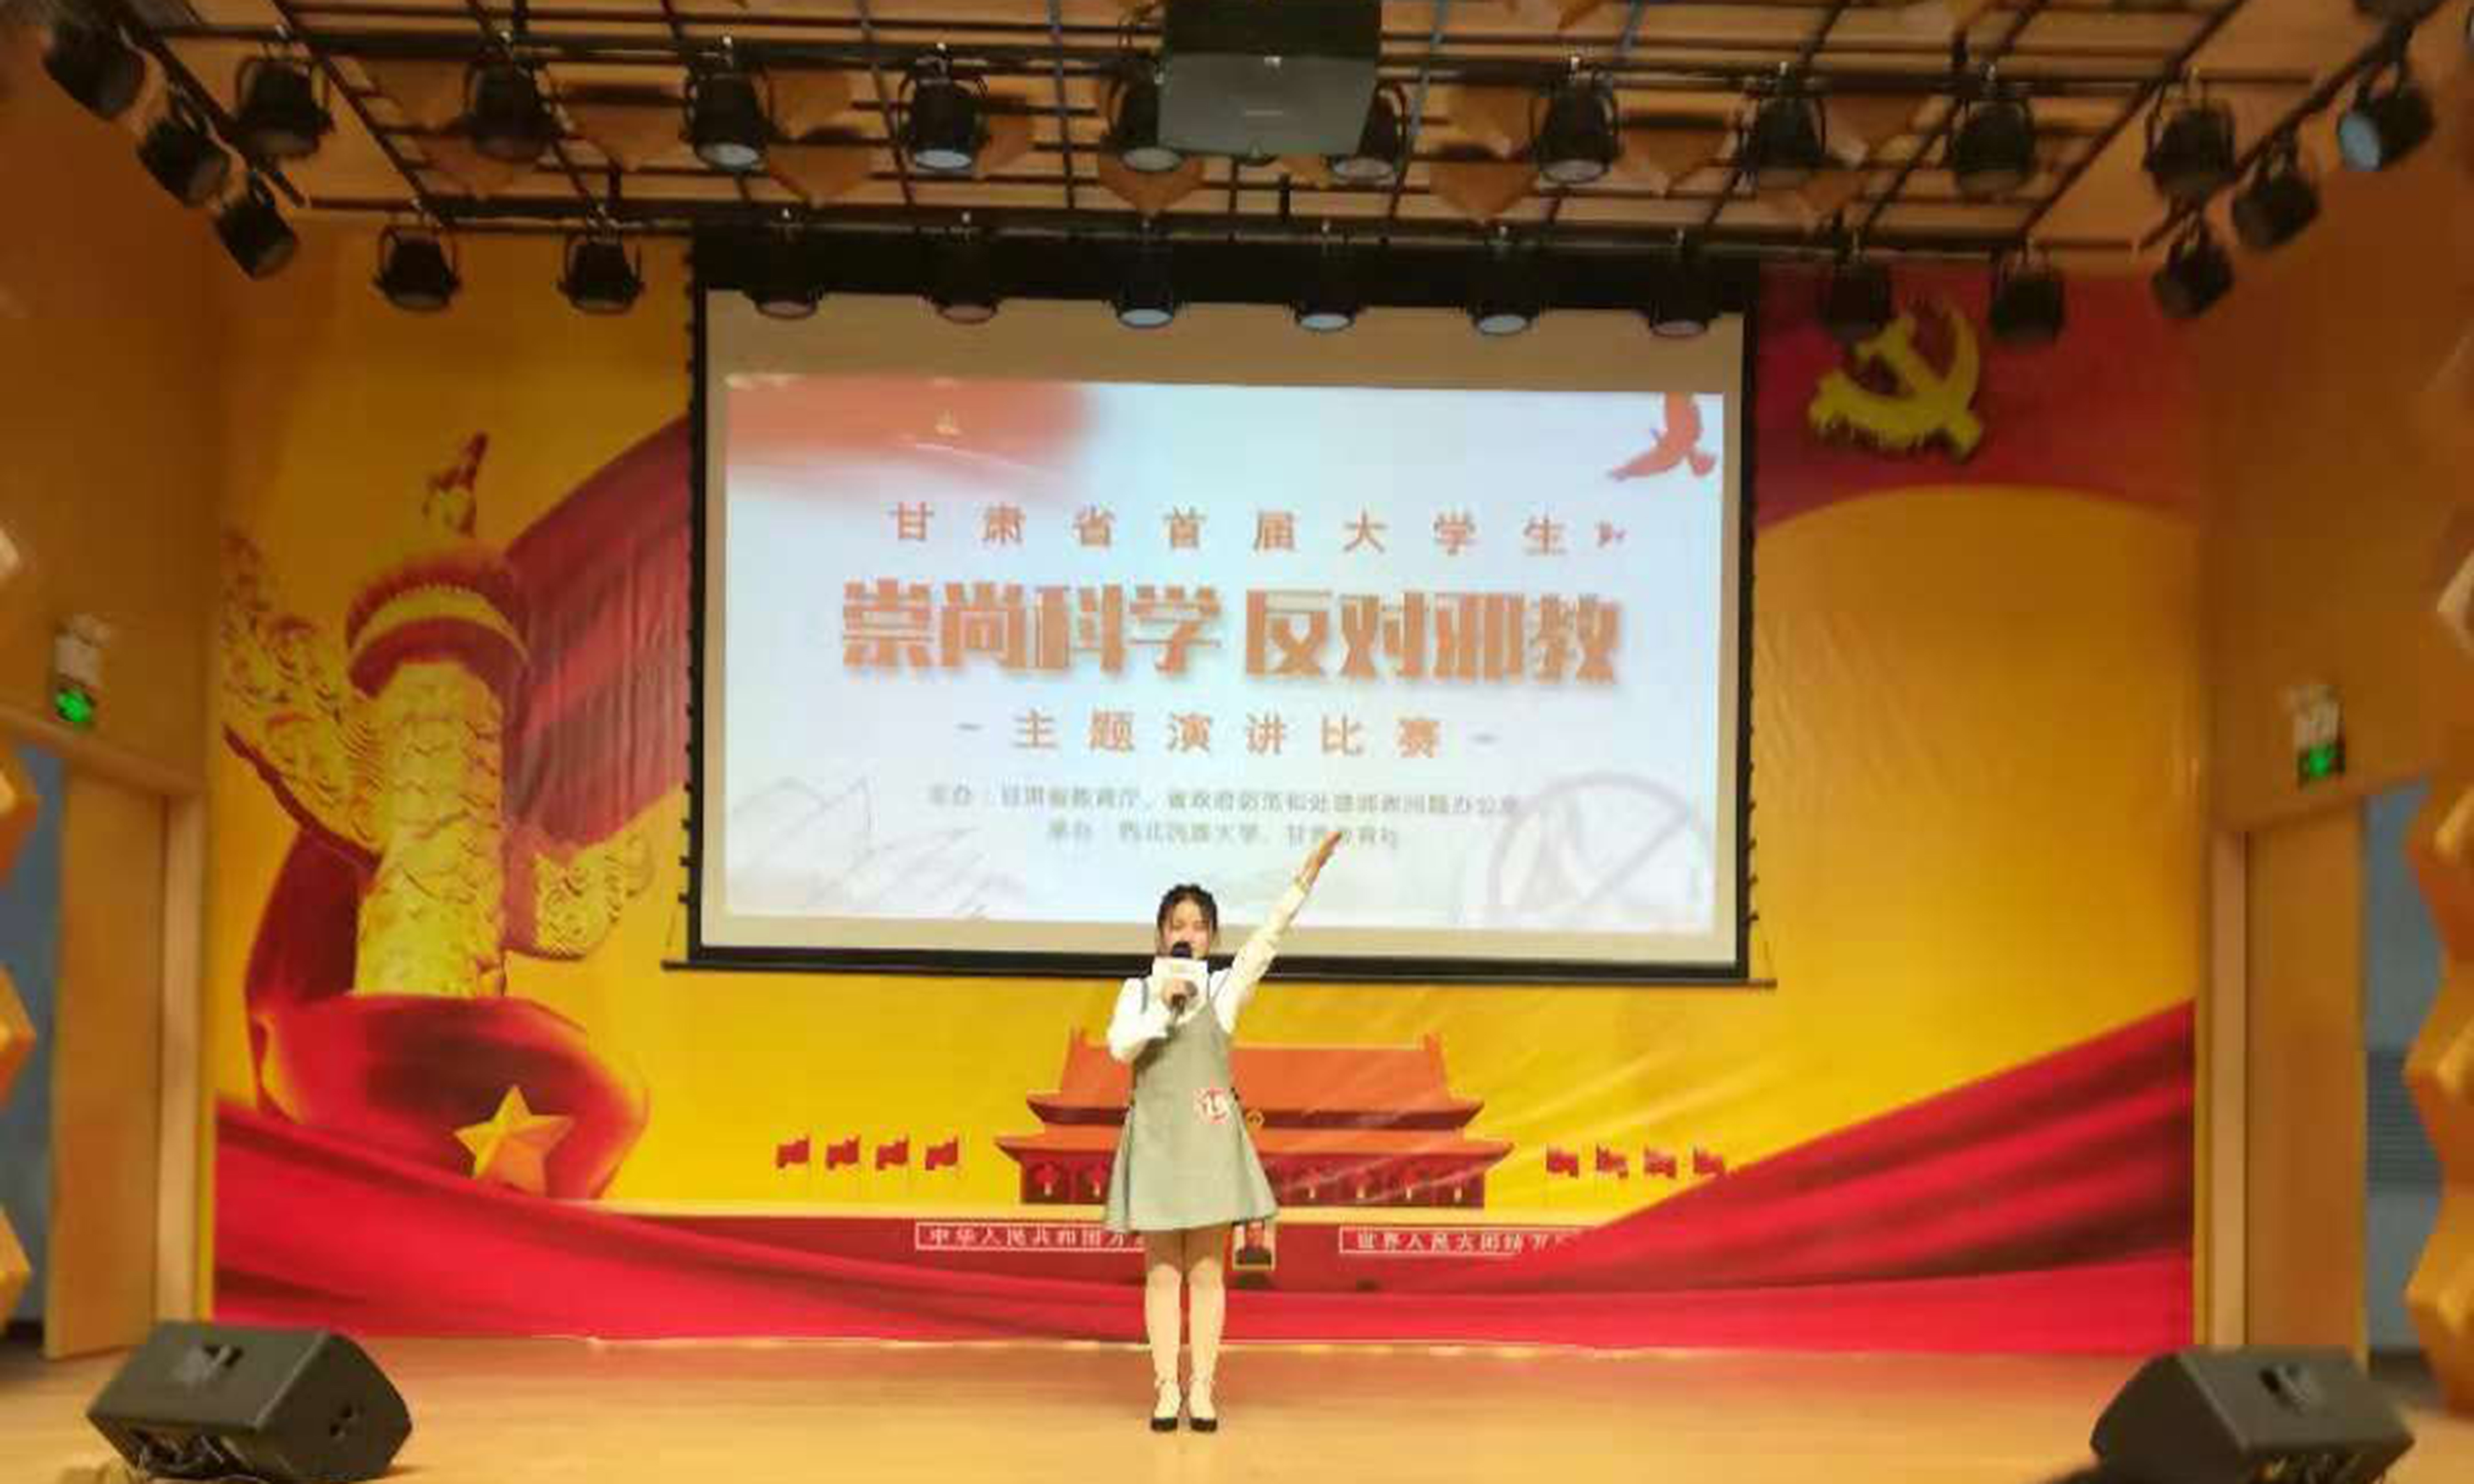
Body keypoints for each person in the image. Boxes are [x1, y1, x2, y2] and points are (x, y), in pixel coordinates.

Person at [1103, 830, 1343, 1433]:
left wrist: (1304, 881)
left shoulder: (1223, 989)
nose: (1188, 933)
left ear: (1211, 936)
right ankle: (1166, 1388)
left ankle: (1203, 1388)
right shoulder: (1138, 992)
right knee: (1162, 1271)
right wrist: (1163, 1005)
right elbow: (1121, 1048)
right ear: (1162, 934)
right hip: (1158, 1140)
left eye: (1199, 925)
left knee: (1207, 1271)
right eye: (1177, 924)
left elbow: (1269, 939)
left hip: (1208, 1141)